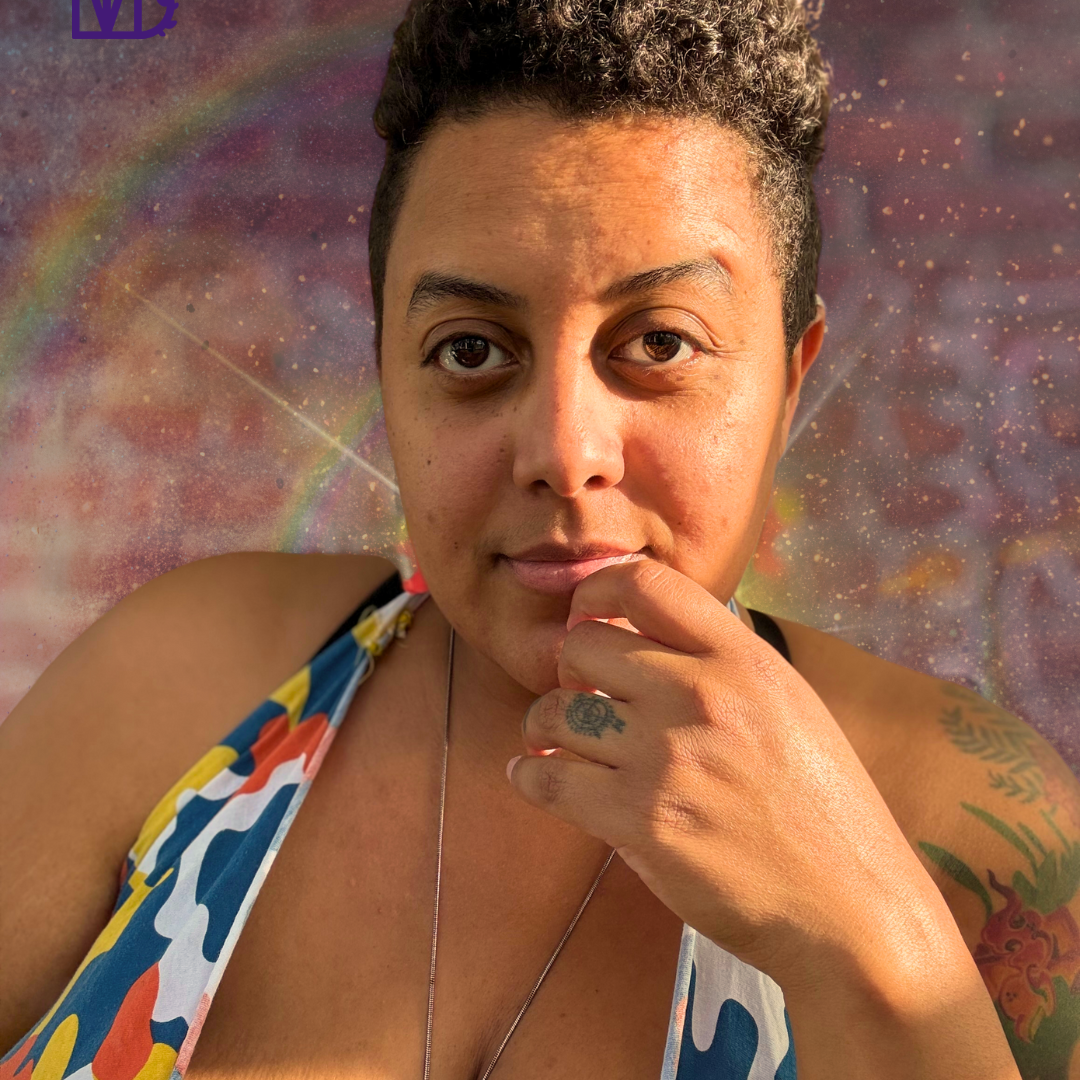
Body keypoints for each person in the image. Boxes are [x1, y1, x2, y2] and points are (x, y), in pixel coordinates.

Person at [1, 0, 1076, 1077]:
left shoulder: (979, 832)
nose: (564, 452)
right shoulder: (182, 686)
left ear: (790, 382)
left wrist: (870, 942)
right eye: (470, 350)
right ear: (389, 374)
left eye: (661, 343)